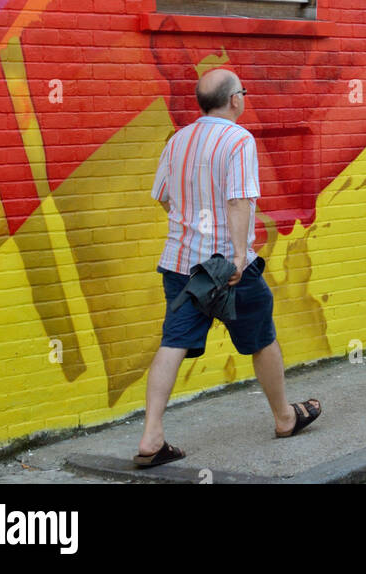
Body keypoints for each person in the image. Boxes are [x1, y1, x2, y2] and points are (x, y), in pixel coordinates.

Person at [135, 67, 321, 467]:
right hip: (226, 267)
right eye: (243, 92)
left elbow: (163, 197)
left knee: (173, 341)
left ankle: (151, 436)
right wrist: (238, 255)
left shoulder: (178, 140)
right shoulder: (239, 139)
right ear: (235, 99)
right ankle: (285, 417)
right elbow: (239, 201)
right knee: (261, 338)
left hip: (181, 264)